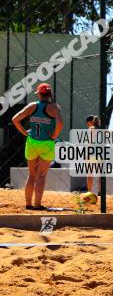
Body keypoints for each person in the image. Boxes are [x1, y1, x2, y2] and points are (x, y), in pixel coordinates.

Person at [11, 83, 64, 211]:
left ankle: (28, 204)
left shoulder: (32, 106)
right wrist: (54, 135)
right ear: (49, 94)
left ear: (39, 94)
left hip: (32, 142)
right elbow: (60, 123)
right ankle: (37, 204)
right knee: (41, 175)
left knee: (31, 174)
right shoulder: (53, 107)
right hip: (47, 143)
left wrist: (24, 132)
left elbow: (15, 119)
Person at [85, 115, 100, 194]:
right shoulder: (102, 129)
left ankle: (89, 191)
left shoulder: (91, 129)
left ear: (91, 122)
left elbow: (90, 142)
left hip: (92, 152)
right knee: (100, 174)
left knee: (90, 173)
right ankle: (100, 192)